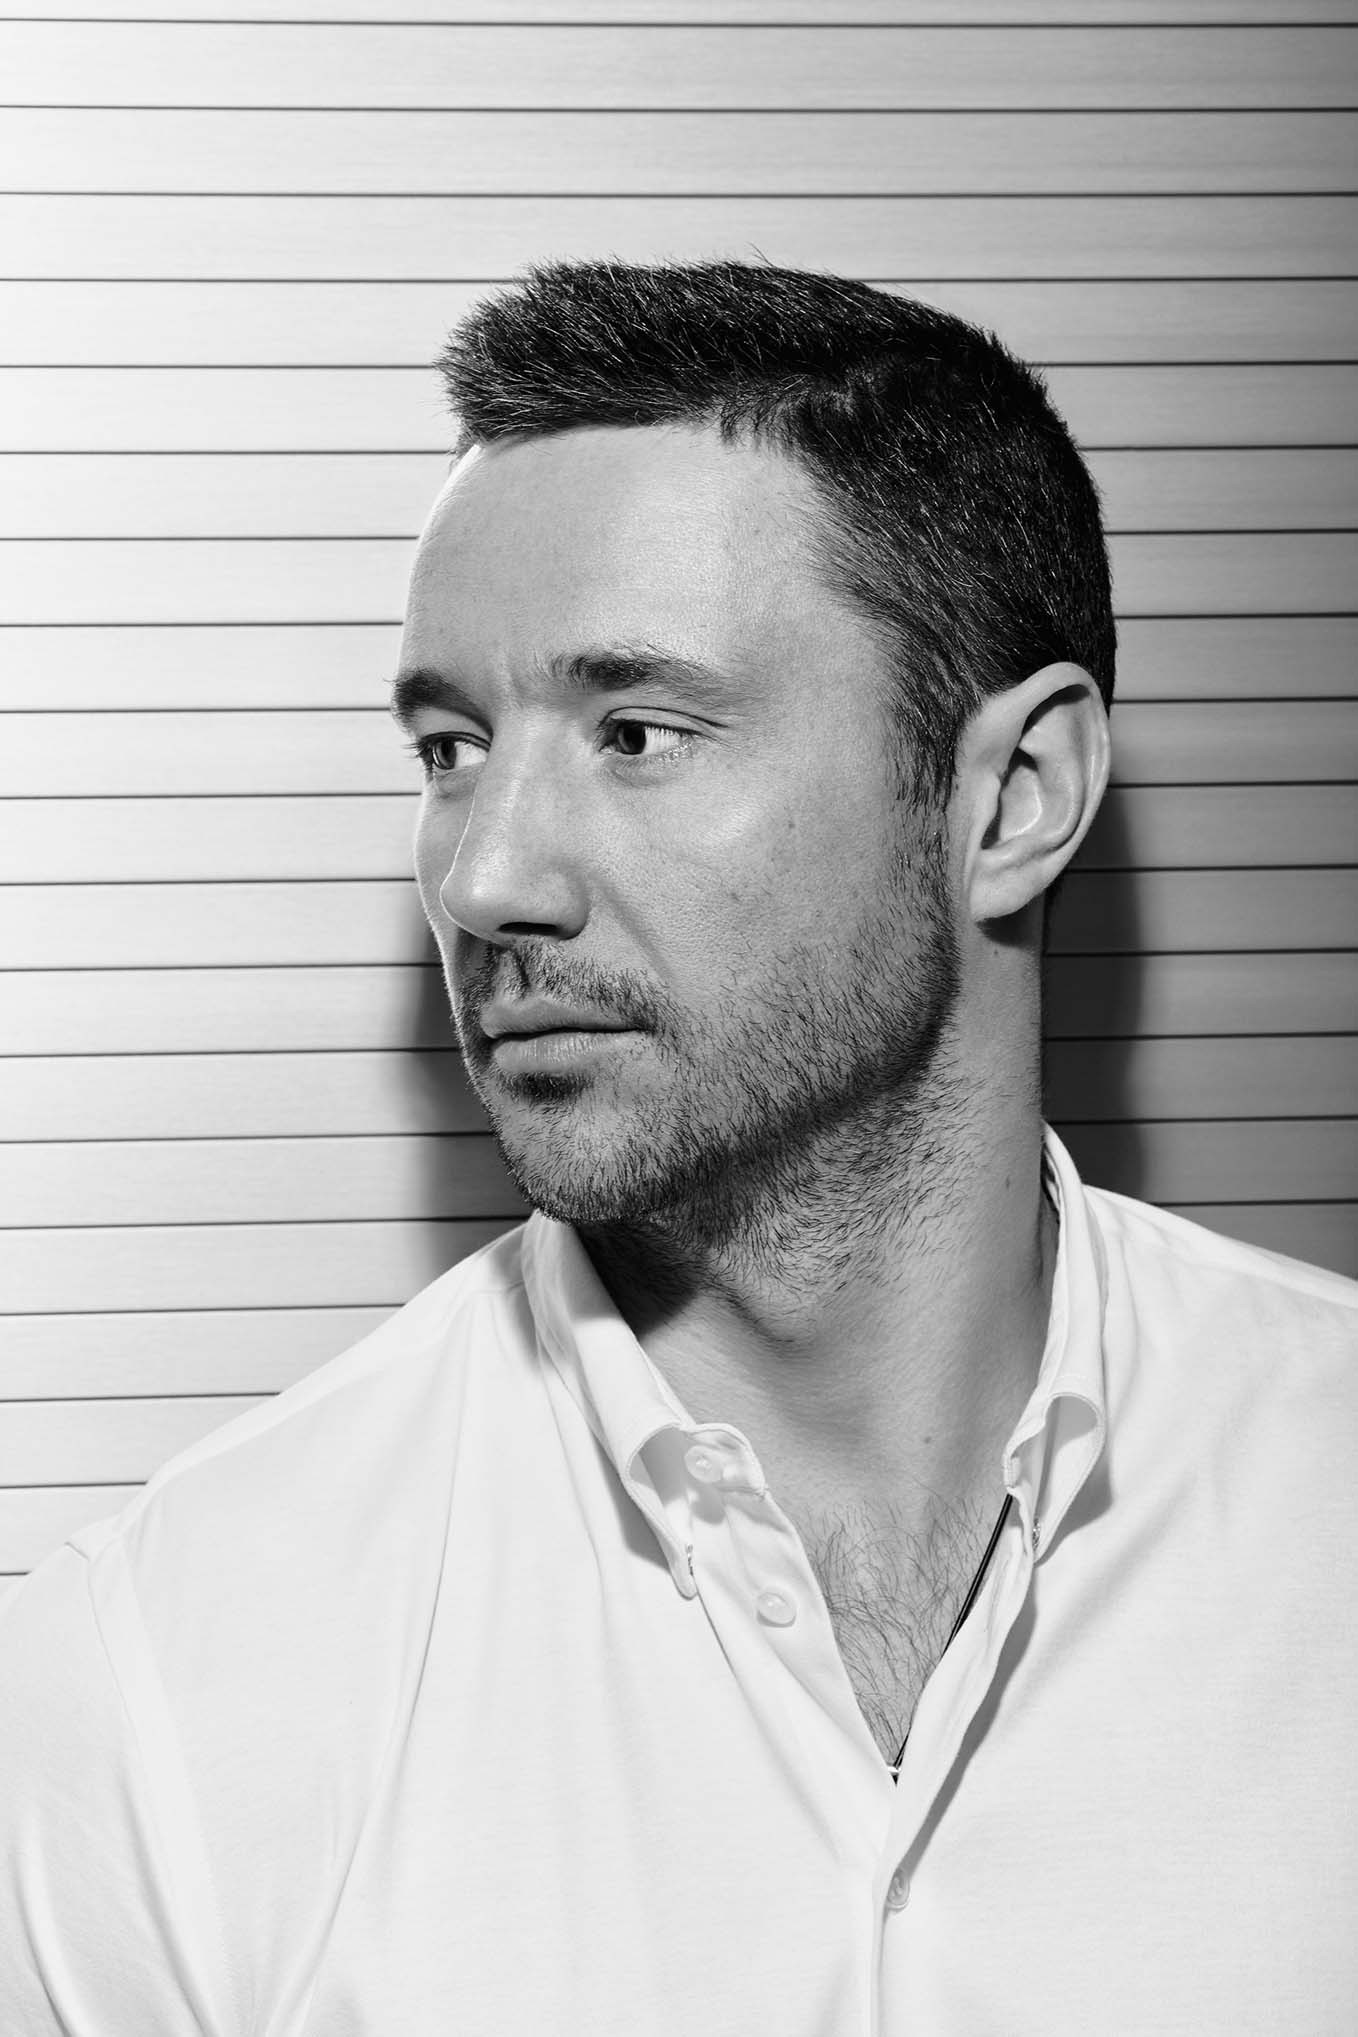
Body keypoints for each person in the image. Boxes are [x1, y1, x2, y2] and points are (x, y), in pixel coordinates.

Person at [1, 259, 1354, 2035]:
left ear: (1012, 798)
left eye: (634, 733)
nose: (485, 876)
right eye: (450, 746)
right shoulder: (163, 1677)